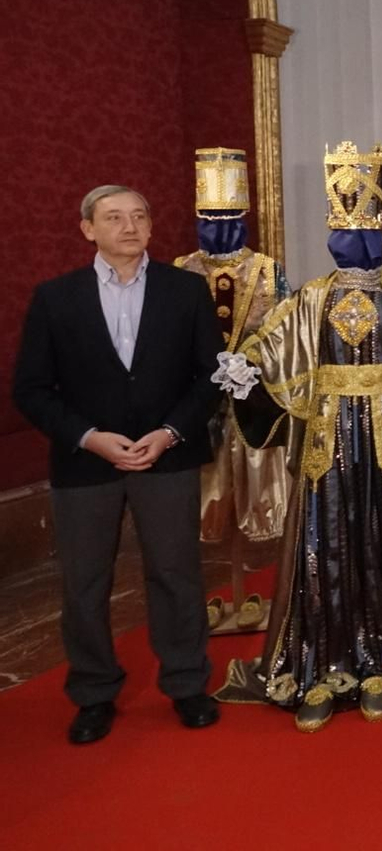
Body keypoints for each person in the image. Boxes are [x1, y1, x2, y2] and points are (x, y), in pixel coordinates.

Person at [219, 142, 382, 731]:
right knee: (324, 543)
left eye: (366, 229)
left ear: (381, 230)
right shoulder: (308, 298)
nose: (354, 240)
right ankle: (321, 662)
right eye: (343, 229)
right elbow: (269, 352)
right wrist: (244, 372)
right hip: (325, 441)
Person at [13, 185, 223, 744]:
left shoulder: (187, 290)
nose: (129, 227)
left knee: (176, 574)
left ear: (151, 226)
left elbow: (211, 376)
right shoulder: (56, 298)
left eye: (138, 216)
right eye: (113, 218)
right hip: (85, 463)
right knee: (84, 582)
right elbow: (31, 389)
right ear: (88, 229)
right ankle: (93, 692)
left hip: (167, 456)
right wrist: (89, 438)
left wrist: (170, 433)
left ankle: (186, 683)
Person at [173, 147, 290, 632]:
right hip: (199, 404)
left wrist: (253, 363)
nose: (218, 227)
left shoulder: (267, 270)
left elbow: (284, 331)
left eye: (228, 218)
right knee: (208, 495)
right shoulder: (182, 269)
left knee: (255, 491)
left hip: (253, 399)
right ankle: (219, 592)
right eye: (209, 218)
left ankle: (258, 592)